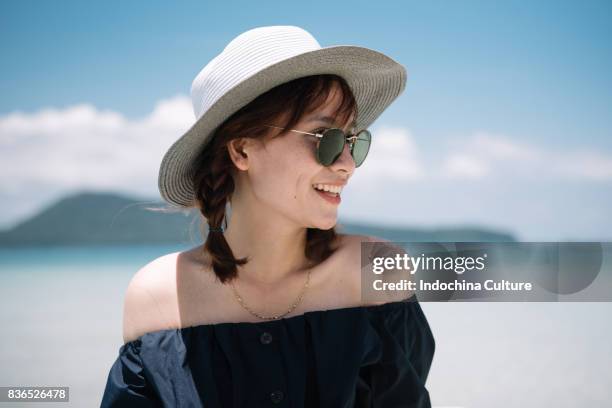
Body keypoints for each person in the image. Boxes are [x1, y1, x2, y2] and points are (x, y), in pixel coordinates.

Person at [101, 25, 435, 407]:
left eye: (352, 141)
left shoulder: (377, 271)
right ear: (242, 151)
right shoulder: (156, 297)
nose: (346, 165)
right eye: (325, 138)